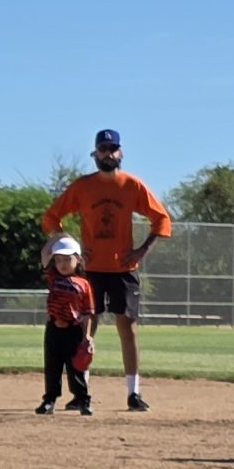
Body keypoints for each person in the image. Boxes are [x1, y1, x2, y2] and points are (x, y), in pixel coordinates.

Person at [42, 127, 173, 411]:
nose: (108, 154)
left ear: (121, 153)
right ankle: (81, 392)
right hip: (89, 270)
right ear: (95, 154)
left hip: (123, 268)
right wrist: (70, 245)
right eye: (103, 149)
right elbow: (51, 217)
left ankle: (133, 393)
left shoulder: (131, 185)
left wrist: (140, 250)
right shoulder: (82, 186)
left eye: (113, 149)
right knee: (84, 329)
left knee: (128, 328)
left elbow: (161, 220)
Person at [36, 238, 96, 417]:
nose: (62, 264)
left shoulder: (83, 284)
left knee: (75, 368)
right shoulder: (53, 278)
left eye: (67, 259)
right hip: (54, 329)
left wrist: (87, 336)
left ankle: (83, 400)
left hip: (74, 330)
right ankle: (50, 400)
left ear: (78, 259)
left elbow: (87, 313)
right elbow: (44, 254)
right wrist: (57, 235)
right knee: (52, 366)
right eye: (58, 260)